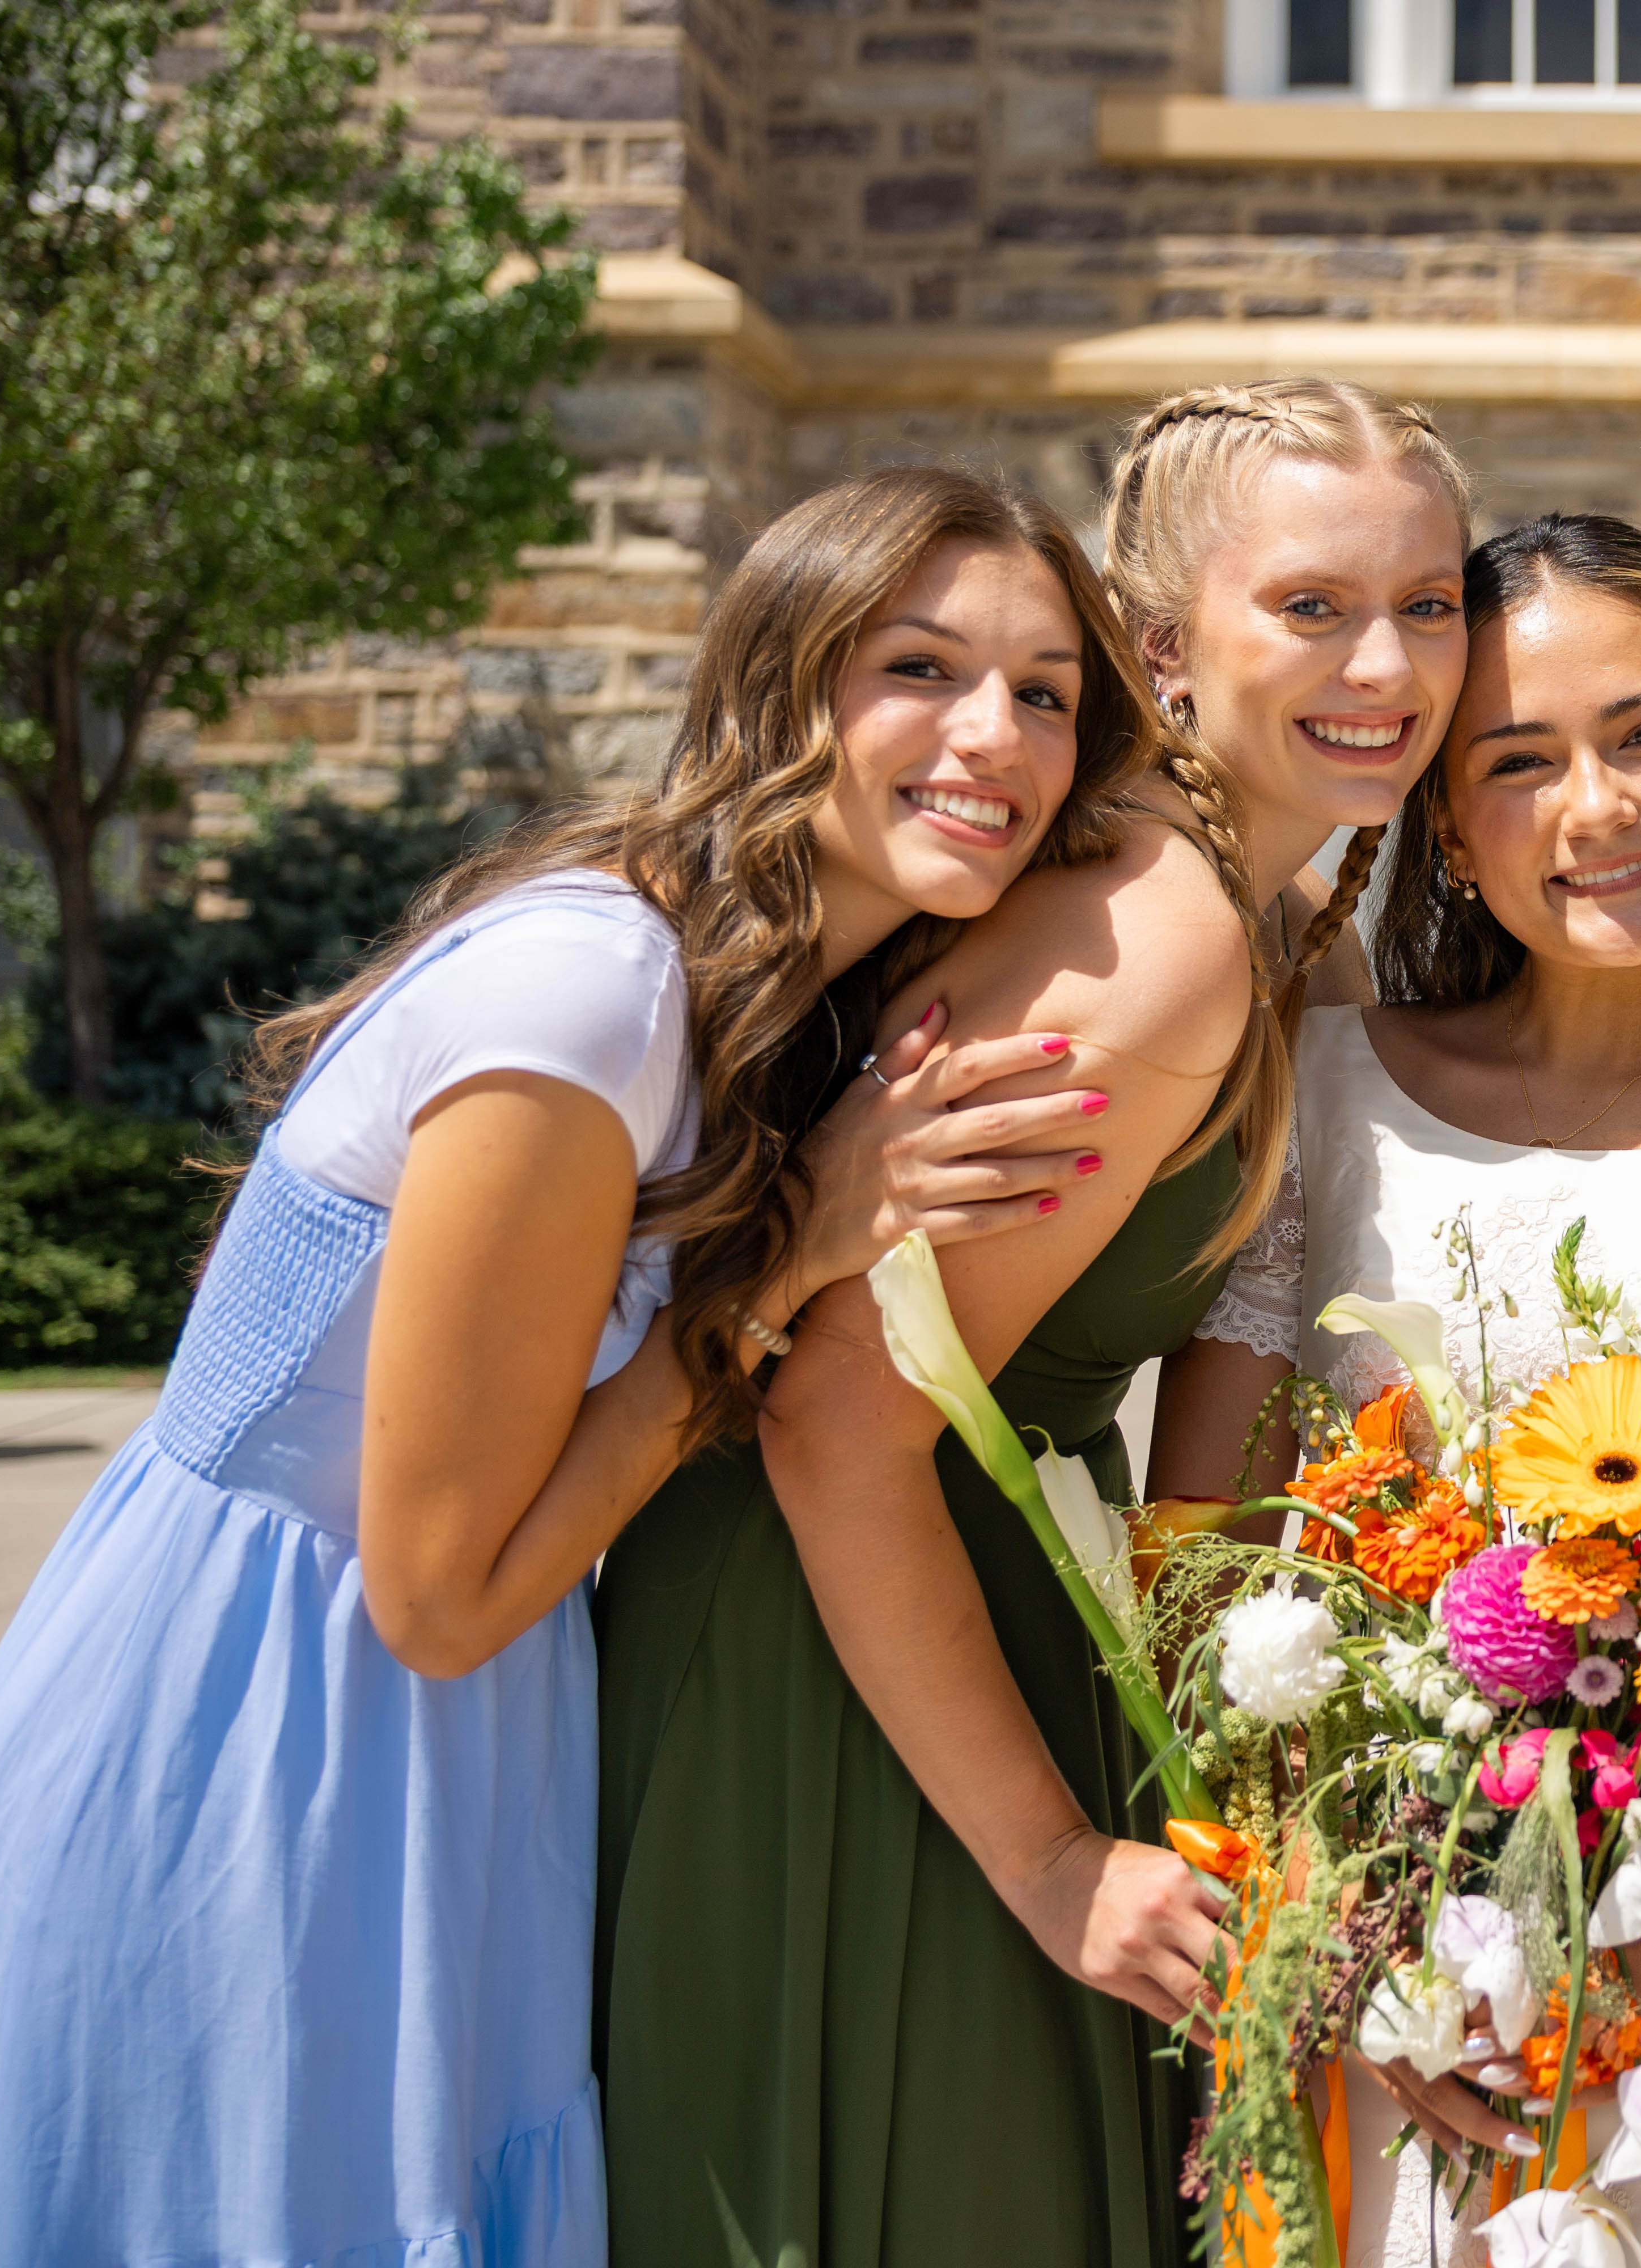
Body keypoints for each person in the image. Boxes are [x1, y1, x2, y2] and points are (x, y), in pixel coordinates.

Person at [0, 462, 1118, 2266]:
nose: (994, 735)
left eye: (1046, 693)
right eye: (920, 669)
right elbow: (440, 1591)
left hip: (442, 1746)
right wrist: (795, 1254)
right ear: (785, 685)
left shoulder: (735, 1010)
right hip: (257, 1744)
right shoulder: (589, 995)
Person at [592, 378, 1474, 2265]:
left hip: (942, 1618)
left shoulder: (1224, 888)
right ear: (1163, 645)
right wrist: (1052, 1859)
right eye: (1312, 608)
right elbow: (840, 1416)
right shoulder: (1163, 921)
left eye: (1432, 603)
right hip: (839, 1657)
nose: (1388, 663)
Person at [1158, 512, 1641, 2268]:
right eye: (1520, 760)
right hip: (1411, 1981)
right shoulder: (1326, 1088)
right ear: (1445, 813)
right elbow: (1202, 1581)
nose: (1602, 810)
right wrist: (1360, 1953)